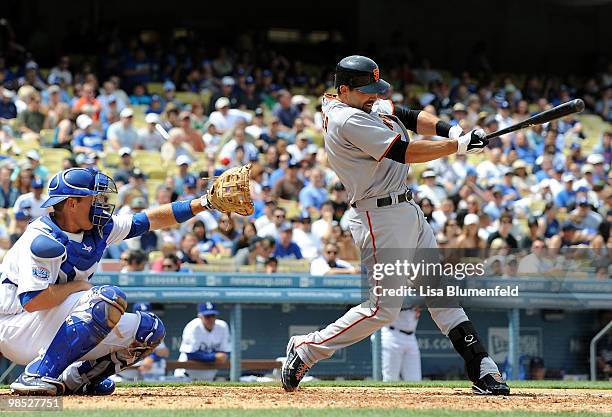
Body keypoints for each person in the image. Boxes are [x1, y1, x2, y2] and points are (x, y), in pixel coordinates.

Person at [282, 55, 509, 395]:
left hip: (406, 207)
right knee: (382, 310)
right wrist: (456, 147)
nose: (374, 96)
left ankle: (481, 365)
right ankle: (307, 348)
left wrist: (453, 130)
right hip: (379, 215)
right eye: (367, 91)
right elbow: (403, 151)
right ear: (344, 90)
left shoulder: (358, 102)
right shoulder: (346, 118)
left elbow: (407, 116)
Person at [1, 166, 240, 396]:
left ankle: (76, 380)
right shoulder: (43, 239)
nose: (101, 204)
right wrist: (78, 287)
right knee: (105, 299)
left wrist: (203, 203)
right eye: (94, 199)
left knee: (149, 330)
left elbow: (148, 220)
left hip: (50, 322)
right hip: (16, 326)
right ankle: (37, 374)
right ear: (72, 203)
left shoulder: (98, 228)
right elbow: (33, 301)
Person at [175, 302, 231, 381]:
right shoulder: (193, 327)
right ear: (200, 316)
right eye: (207, 316)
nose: (211, 319)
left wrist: (210, 357)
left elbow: (225, 353)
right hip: (187, 374)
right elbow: (190, 354)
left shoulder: (222, 326)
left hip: (209, 376)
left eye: (213, 316)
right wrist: (214, 357)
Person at [379, 308, 422, 381]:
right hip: (392, 333)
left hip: (411, 336)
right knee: (391, 378)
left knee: (415, 379)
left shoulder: (417, 297)